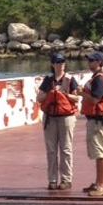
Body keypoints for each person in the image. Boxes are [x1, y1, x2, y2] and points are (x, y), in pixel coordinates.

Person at [36, 53, 79, 191]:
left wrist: (64, 94)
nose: (61, 64)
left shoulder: (70, 79)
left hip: (66, 117)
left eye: (62, 62)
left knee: (66, 149)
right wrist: (50, 93)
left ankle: (66, 179)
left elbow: (77, 98)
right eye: (58, 62)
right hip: (50, 117)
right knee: (51, 150)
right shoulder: (48, 80)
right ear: (53, 64)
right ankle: (52, 180)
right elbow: (39, 97)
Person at [77, 51, 103, 197]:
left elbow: (95, 99)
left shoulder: (99, 79)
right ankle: (98, 183)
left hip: (98, 120)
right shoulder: (97, 78)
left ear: (98, 62)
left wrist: (80, 93)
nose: (88, 62)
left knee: (101, 152)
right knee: (98, 152)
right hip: (95, 119)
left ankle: (102, 185)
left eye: (91, 60)